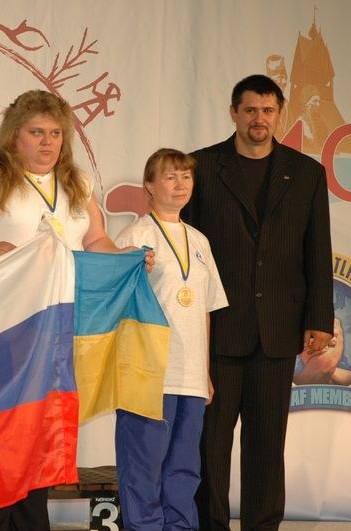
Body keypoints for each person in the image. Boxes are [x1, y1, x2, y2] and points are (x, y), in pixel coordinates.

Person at [0, 89, 152, 531]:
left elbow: (95, 241)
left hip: (57, 326)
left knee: (38, 432)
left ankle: (28, 523)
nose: (48, 142)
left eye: (55, 133)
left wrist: (126, 258)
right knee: (3, 432)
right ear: (15, 135)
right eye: (36, 133)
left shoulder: (77, 181)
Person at [183, 74, 334, 530]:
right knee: (210, 445)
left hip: (278, 330)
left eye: (268, 110)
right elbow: (184, 247)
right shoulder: (202, 167)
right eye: (250, 110)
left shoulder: (306, 173)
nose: (259, 119)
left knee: (267, 445)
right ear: (234, 112)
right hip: (217, 330)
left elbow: (317, 251)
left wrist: (319, 318)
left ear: (279, 114)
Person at [112, 148, 228, 529]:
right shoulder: (134, 236)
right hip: (148, 372)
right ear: (149, 185)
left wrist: (204, 372)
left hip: (190, 375)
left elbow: (205, 309)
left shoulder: (200, 241)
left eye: (186, 176)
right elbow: (117, 302)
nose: (181, 184)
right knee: (143, 467)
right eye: (170, 176)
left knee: (184, 469)